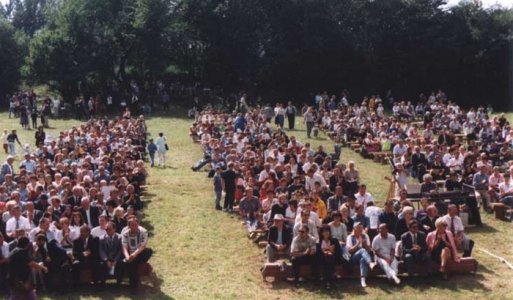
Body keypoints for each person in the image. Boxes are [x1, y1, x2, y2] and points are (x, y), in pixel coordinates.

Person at [121, 217, 152, 293]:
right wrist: (128, 257)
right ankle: (134, 288)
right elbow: (124, 247)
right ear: (129, 226)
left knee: (148, 251)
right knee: (132, 264)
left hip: (140, 253)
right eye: (132, 225)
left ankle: (134, 287)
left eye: (135, 225)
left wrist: (134, 255)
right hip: (130, 253)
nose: (134, 227)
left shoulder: (143, 232)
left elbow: (142, 246)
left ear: (138, 224)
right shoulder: (125, 234)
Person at [346, 222, 375, 288]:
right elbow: (350, 251)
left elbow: (369, 250)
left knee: (362, 259)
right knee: (362, 250)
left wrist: (364, 243)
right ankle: (370, 263)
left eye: (362, 228)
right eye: (359, 228)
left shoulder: (365, 236)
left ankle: (363, 280)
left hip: (364, 257)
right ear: (354, 229)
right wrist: (358, 243)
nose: (361, 230)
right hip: (353, 257)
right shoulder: (350, 237)